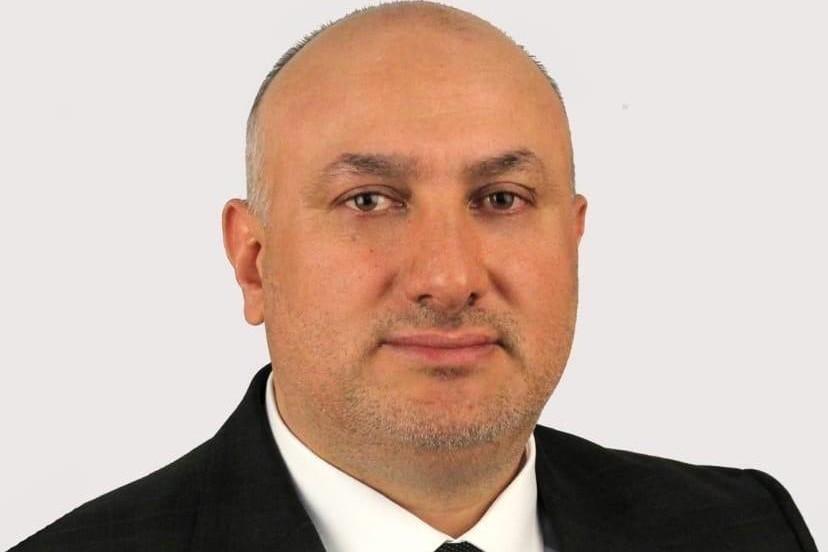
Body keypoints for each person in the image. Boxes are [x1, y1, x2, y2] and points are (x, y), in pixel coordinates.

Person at [9, 2, 817, 551]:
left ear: (573, 243)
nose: (449, 277)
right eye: (369, 200)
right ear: (254, 262)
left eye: (501, 198)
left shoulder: (747, 532)